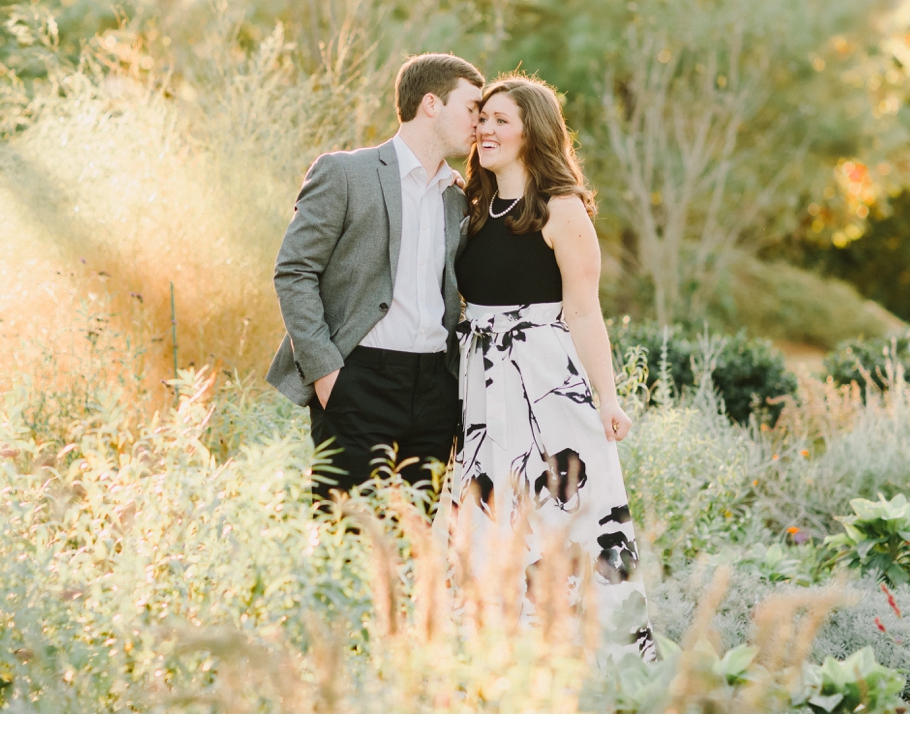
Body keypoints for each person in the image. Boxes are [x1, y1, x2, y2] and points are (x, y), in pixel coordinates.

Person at [451, 75, 657, 661]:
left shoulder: (561, 210)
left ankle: (581, 658)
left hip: (546, 388)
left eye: (501, 120)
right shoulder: (471, 206)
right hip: (483, 392)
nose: (485, 128)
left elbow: (585, 312)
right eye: (482, 118)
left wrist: (609, 399)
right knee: (490, 517)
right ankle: (499, 655)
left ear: (531, 132)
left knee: (557, 518)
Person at [268, 53, 484, 504]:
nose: (479, 123)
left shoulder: (458, 199)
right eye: (472, 109)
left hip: (434, 392)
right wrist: (327, 374)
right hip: (356, 379)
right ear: (431, 103)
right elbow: (294, 271)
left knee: (410, 548)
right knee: (345, 542)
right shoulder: (346, 173)